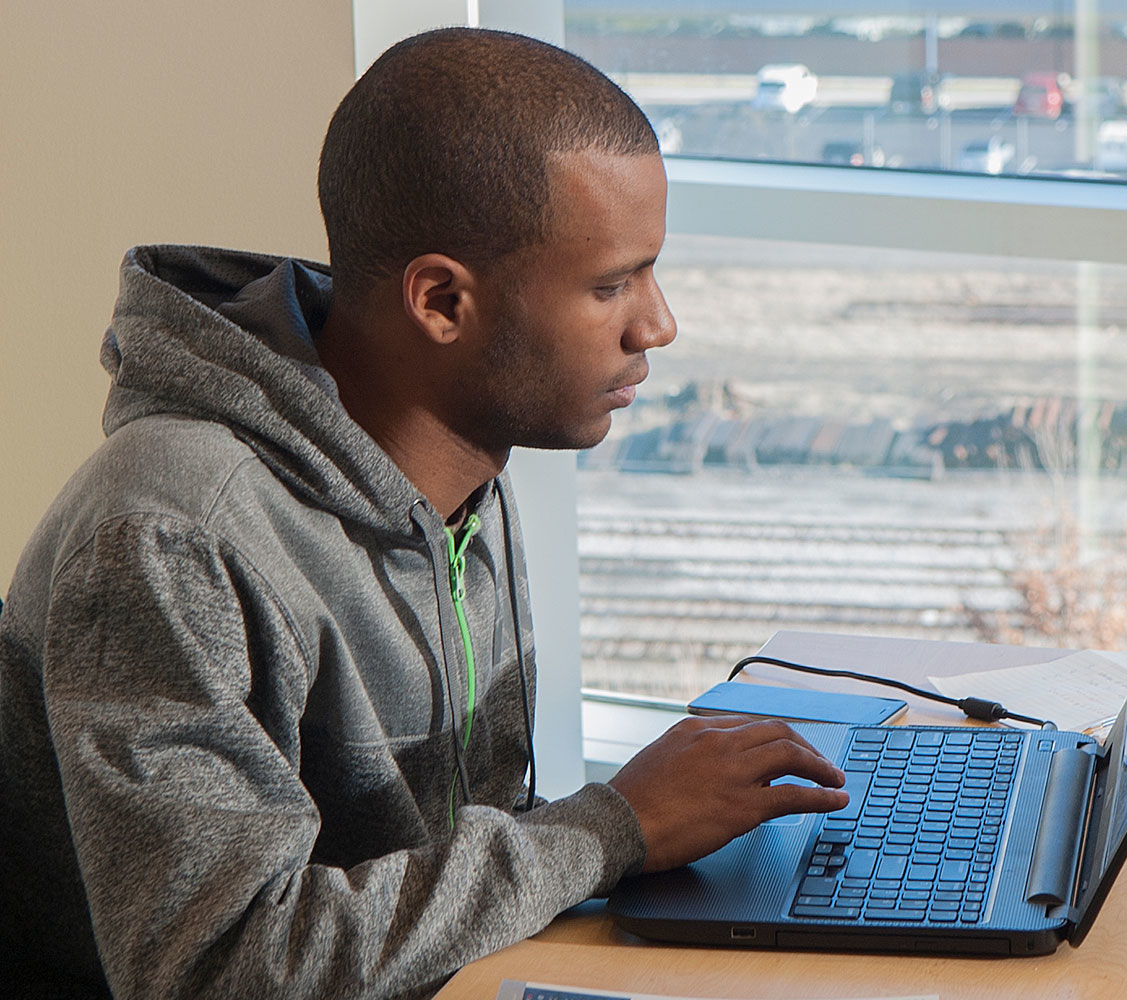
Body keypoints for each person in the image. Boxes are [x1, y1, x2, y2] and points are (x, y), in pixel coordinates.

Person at [0, 28, 847, 999]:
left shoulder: (456, 456)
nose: (657, 325)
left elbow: (455, 854)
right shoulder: (171, 534)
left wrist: (640, 831)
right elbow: (218, 967)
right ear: (441, 301)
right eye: (611, 284)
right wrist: (609, 828)